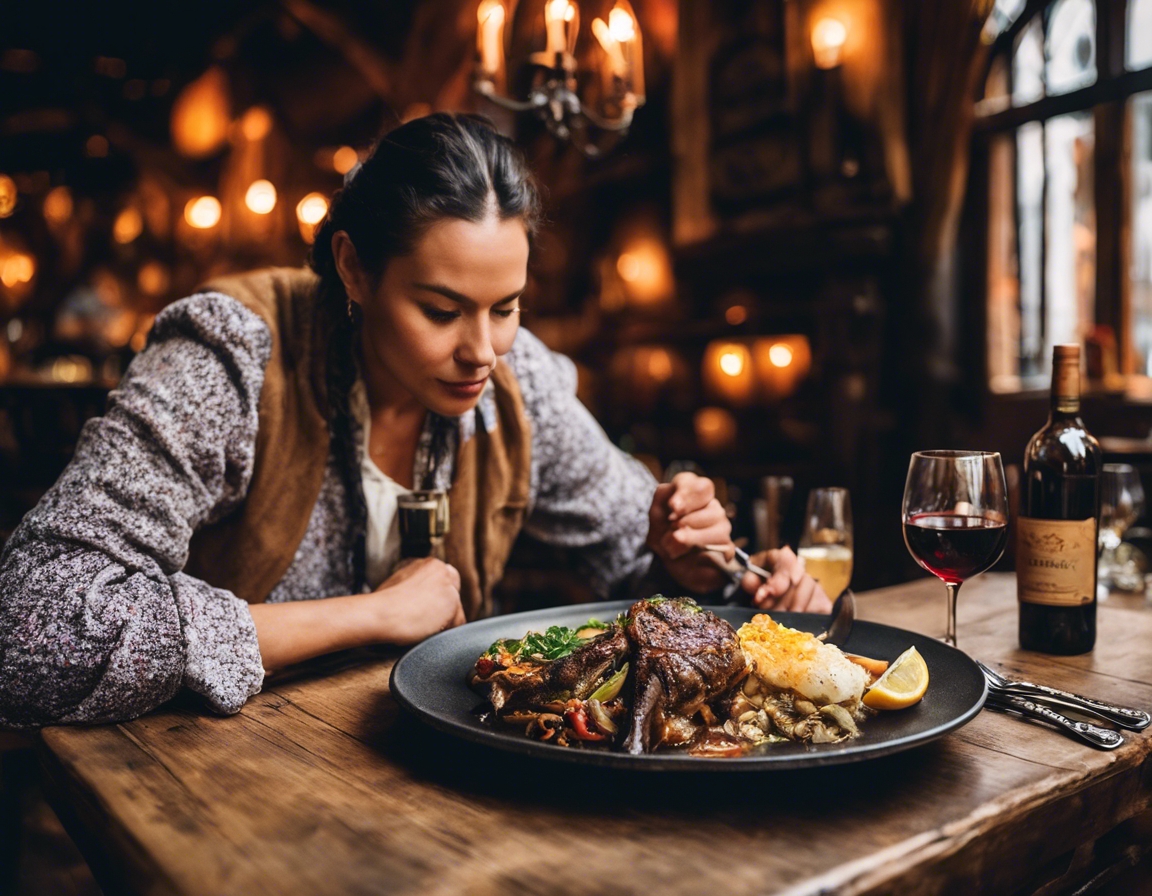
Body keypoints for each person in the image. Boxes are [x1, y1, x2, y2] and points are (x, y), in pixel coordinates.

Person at [0, 113, 828, 728]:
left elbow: (629, 556)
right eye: (441, 309)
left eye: (506, 307)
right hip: (215, 791)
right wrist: (369, 614)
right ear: (354, 268)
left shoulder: (517, 378)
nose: (483, 351)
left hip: (441, 796)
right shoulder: (231, 357)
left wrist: (707, 570)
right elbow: (30, 624)